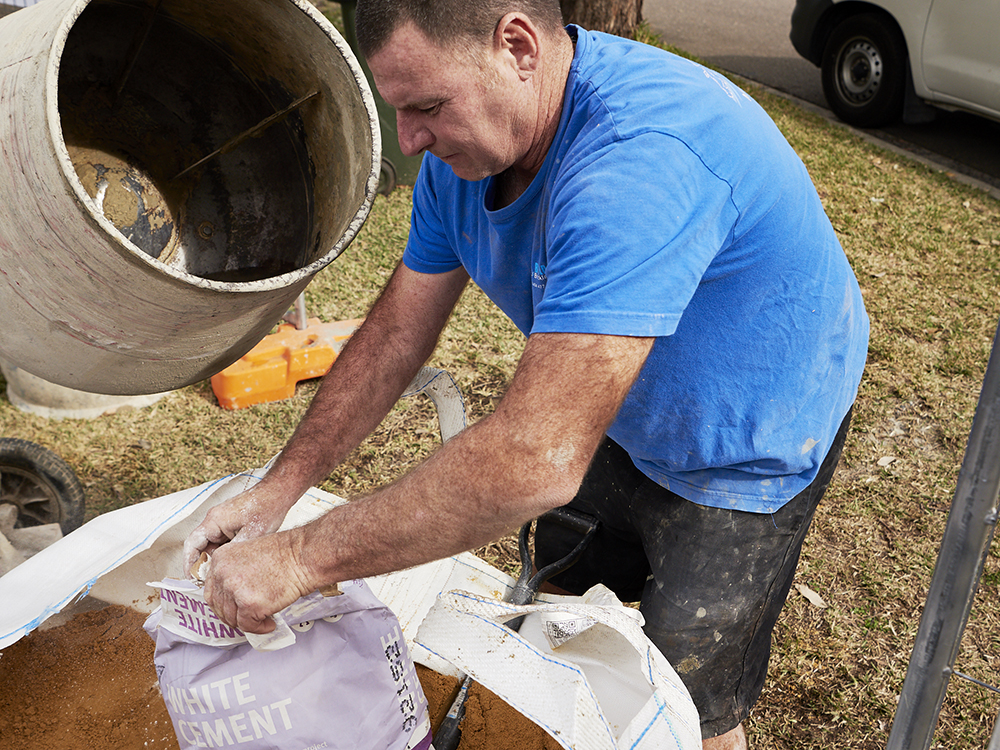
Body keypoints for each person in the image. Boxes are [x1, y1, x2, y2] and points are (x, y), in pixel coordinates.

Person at [183, 1, 870, 747]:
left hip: (747, 434)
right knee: (562, 626)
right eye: (399, 111)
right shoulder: (465, 153)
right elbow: (394, 334)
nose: (410, 140)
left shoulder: (636, 163)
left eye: (427, 107)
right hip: (613, 406)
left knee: (681, 705)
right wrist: (278, 491)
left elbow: (534, 459)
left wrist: (299, 557)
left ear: (517, 46)